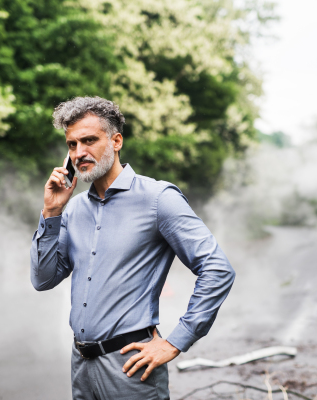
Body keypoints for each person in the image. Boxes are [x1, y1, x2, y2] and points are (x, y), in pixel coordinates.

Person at [30, 96, 235, 400]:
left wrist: (176, 341)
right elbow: (43, 279)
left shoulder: (157, 199)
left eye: (89, 140)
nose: (79, 153)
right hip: (81, 367)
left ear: (116, 141)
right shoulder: (71, 210)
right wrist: (51, 213)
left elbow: (218, 269)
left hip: (130, 368)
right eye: (72, 145)